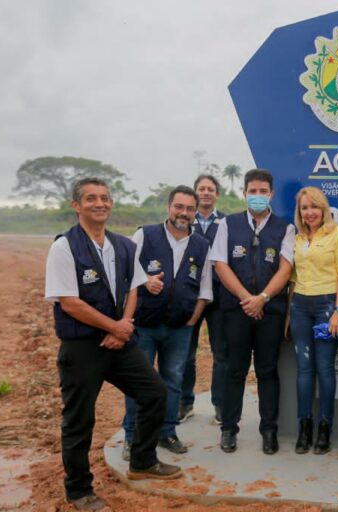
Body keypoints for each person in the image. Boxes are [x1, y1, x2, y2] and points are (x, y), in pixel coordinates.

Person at [45, 178, 180, 511]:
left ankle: (143, 460)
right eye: (91, 198)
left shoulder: (123, 246)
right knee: (79, 419)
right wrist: (114, 326)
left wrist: (124, 327)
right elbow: (69, 302)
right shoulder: (64, 246)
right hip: (82, 347)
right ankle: (78, 490)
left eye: (105, 198)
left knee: (154, 392)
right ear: (76, 205)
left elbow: (133, 287)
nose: (99, 203)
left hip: (119, 341)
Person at [122, 185, 213, 459]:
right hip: (144, 326)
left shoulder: (201, 244)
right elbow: (126, 272)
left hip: (179, 328)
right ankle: (132, 435)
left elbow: (206, 287)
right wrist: (145, 281)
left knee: (173, 380)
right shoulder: (145, 234)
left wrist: (193, 318)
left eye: (189, 209)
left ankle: (166, 432)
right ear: (169, 207)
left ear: (195, 212)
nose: (183, 213)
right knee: (139, 382)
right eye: (179, 207)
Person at [210, 169, 294, 454]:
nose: (258, 196)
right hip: (236, 310)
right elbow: (220, 265)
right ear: (244, 193)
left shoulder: (285, 228)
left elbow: (285, 268)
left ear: (271, 194)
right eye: (253, 191)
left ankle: (269, 430)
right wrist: (248, 299)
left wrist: (264, 298)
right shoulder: (228, 225)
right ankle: (229, 429)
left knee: (268, 371)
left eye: (263, 191)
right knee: (235, 370)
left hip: (270, 312)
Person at [289, 186, 338, 455]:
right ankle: (304, 427)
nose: (310, 212)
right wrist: (287, 314)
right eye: (305, 208)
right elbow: (292, 278)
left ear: (323, 209)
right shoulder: (298, 237)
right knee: (304, 370)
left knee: (325, 369)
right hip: (300, 306)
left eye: (314, 207)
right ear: (300, 212)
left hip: (327, 306)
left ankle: (325, 428)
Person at [180, 174, 227, 424]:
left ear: (217, 194)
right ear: (196, 193)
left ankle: (220, 404)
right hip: (190, 297)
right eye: (202, 189)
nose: (206, 192)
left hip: (219, 298)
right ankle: (184, 402)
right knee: (186, 353)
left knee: (221, 354)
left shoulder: (227, 223)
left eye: (210, 189)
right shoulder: (184, 222)